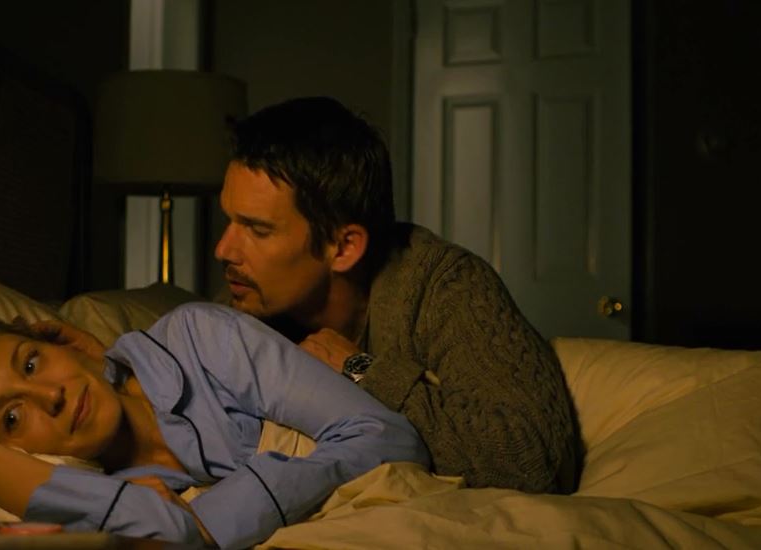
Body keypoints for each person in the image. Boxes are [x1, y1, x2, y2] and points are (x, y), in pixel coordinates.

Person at [213, 96, 580, 494]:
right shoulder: (247, 302)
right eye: (229, 221)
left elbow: (536, 462)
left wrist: (360, 369)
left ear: (344, 247)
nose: (224, 250)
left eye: (258, 230)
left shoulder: (443, 286)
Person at [0, 302, 428, 548]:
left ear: (57, 343)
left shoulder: (197, 339)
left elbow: (390, 438)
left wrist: (212, 518)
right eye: (12, 417)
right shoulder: (91, 499)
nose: (50, 397)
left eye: (32, 363)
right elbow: (168, 537)